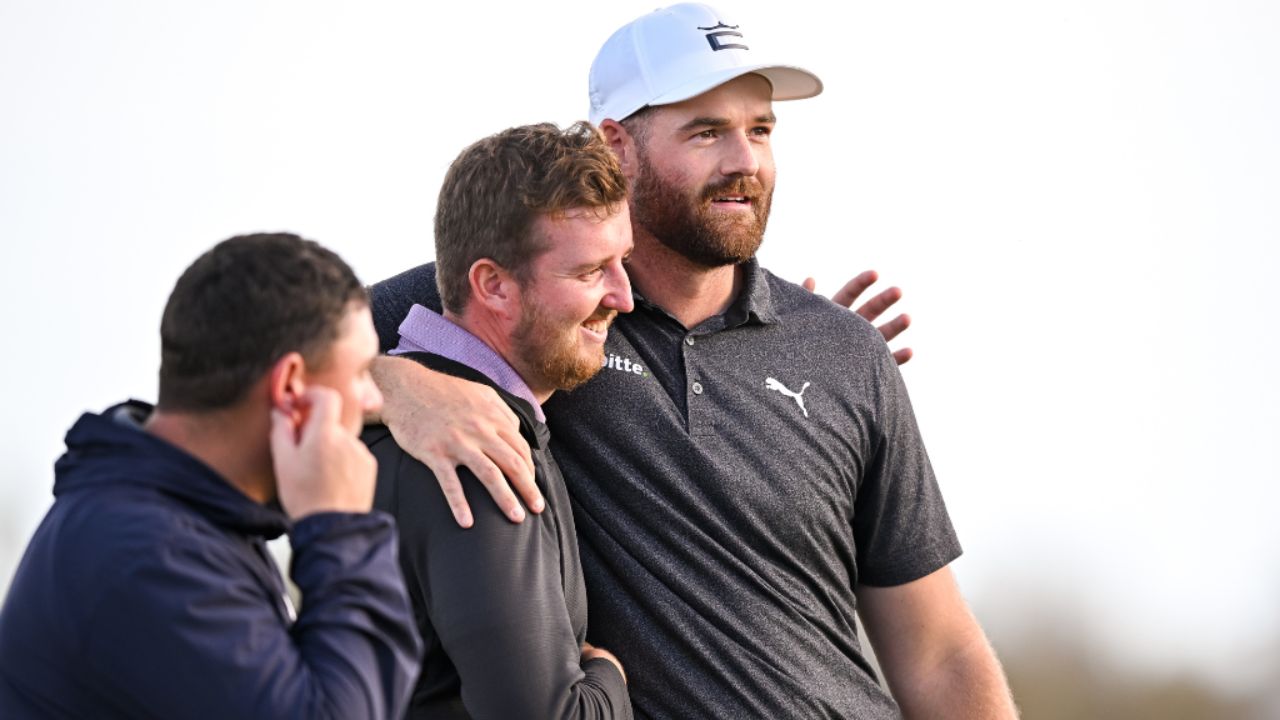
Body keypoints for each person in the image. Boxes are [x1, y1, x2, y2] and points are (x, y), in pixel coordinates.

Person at [369, 4, 1018, 718]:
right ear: (615, 144)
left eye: (761, 130)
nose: (744, 161)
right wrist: (393, 382)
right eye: (707, 132)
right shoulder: (543, 303)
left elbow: (938, 652)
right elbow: (263, 357)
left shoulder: (845, 351)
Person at [0, 233, 422, 719]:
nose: (373, 399)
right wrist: (341, 528)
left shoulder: (179, 522)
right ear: (289, 387)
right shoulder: (146, 554)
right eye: (360, 373)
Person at [363, 123, 634, 719]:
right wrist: (609, 674)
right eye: (591, 272)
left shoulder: (410, 414)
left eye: (624, 262)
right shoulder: (473, 448)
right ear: (493, 285)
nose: (624, 297)